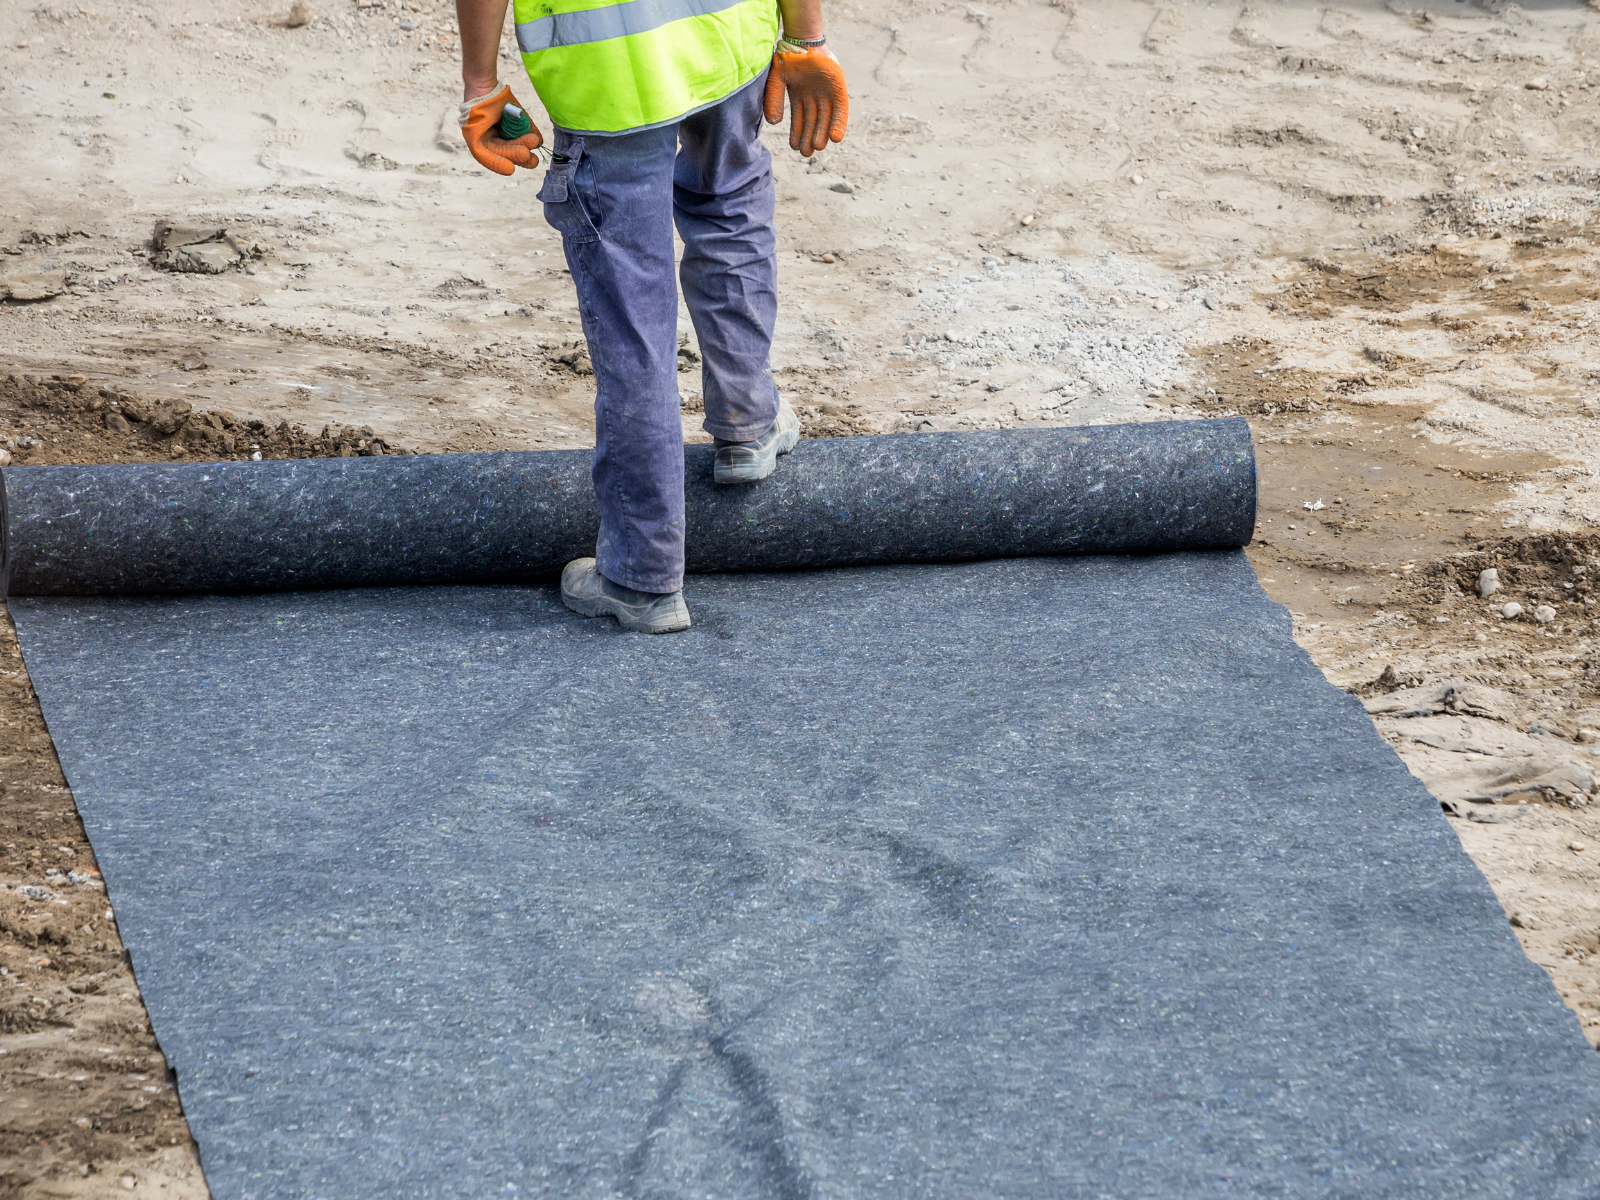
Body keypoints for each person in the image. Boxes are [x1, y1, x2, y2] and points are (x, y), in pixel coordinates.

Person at [455, 0, 849, 633]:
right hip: (724, 44)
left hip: (606, 78)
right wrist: (806, 39)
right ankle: (748, 424)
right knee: (729, 214)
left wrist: (481, 82)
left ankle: (642, 573)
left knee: (632, 311)